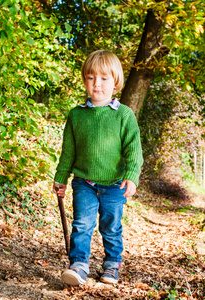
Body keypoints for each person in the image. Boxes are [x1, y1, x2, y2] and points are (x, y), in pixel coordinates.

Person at [53, 50, 143, 285]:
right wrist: (60, 178)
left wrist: (131, 176)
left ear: (115, 82)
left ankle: (112, 264)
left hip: (114, 185)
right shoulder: (76, 115)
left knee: (111, 226)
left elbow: (133, 150)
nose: (97, 84)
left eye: (104, 78)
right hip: (85, 182)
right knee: (82, 223)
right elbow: (68, 152)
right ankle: (79, 265)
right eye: (91, 77)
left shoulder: (124, 115)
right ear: (85, 80)